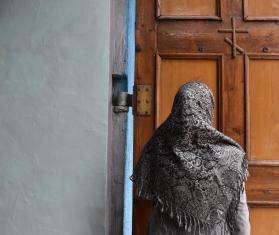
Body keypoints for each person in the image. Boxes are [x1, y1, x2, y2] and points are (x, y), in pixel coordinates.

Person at [131, 82, 250, 235]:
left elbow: (147, 197)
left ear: (177, 107)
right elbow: (240, 214)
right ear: (206, 108)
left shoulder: (157, 146)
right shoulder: (229, 155)